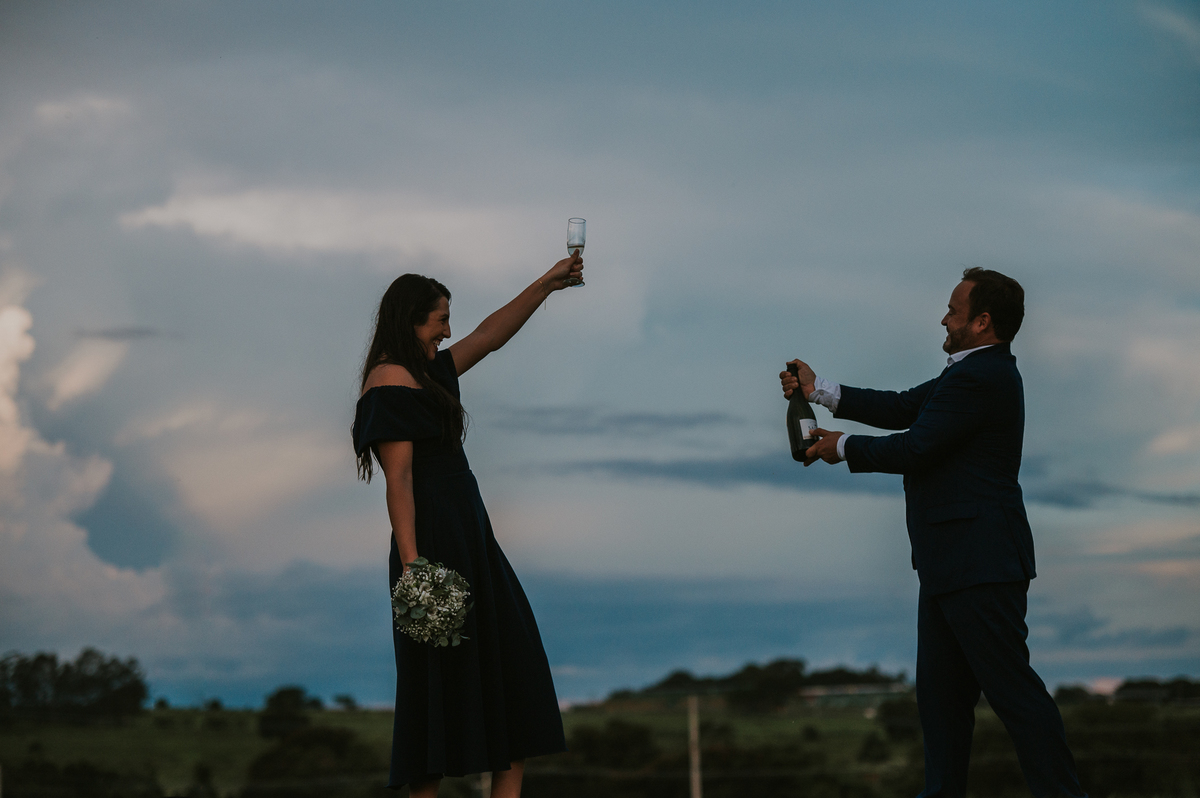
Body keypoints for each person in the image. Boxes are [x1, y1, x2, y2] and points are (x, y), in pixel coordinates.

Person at [780, 268, 1086, 797]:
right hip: (948, 562)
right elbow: (901, 406)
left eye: (953, 309)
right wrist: (819, 389)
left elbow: (915, 446)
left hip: (982, 560)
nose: (943, 318)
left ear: (982, 321)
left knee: (1014, 694)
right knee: (941, 702)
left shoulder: (981, 376)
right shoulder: (966, 374)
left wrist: (841, 446)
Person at [354, 252, 583, 797]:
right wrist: (414, 569)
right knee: (438, 695)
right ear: (410, 321)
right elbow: (400, 481)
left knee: (512, 675)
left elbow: (490, 335)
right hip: (433, 546)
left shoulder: (428, 372)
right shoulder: (389, 381)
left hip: (472, 538)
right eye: (439, 320)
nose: (448, 330)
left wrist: (548, 283)